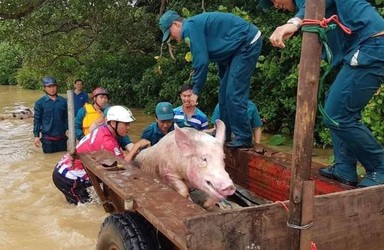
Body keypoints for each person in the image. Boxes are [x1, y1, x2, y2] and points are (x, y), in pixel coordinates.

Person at [259, 0, 384, 187]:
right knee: (334, 106)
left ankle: (380, 167)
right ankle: (344, 168)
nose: (275, 5)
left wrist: (294, 22)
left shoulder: (308, 3)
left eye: (273, 0)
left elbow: (314, 4)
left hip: (372, 43)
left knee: (337, 115)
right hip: (366, 46)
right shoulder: (308, 7)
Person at [159, 10, 262, 148]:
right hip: (232, 51)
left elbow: (201, 61)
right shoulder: (193, 27)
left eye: (170, 32)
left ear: (176, 24)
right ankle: (224, 133)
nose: (172, 37)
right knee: (223, 94)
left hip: (247, 43)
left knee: (233, 93)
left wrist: (195, 90)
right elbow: (219, 51)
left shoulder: (189, 27)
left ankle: (243, 137)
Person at [52, 105, 150, 205]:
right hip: (68, 178)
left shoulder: (104, 129)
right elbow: (123, 167)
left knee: (84, 204)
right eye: (125, 124)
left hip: (66, 171)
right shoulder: (107, 141)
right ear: (113, 123)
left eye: (129, 124)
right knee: (85, 208)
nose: (128, 127)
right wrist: (136, 147)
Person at [33, 76, 68, 153]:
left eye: (54, 86)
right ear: (44, 88)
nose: (52, 89)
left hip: (62, 139)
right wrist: (36, 136)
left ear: (56, 87)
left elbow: (67, 118)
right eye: (49, 87)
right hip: (47, 140)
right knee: (48, 161)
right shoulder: (40, 103)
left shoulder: (64, 102)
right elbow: (37, 120)